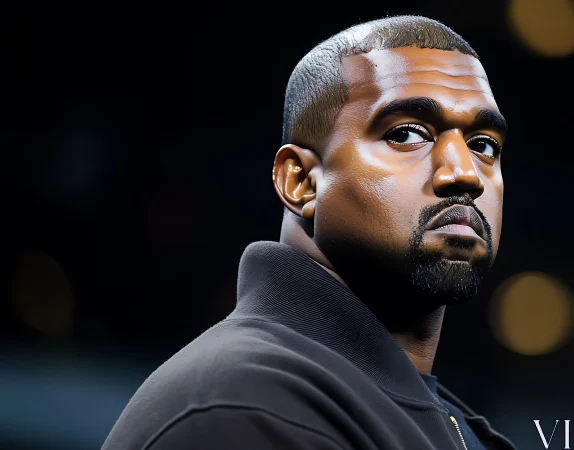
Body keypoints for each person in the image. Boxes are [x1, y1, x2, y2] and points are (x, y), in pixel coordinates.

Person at [103, 15, 514, 450]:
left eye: (483, 145)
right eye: (408, 134)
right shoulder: (244, 405)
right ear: (300, 182)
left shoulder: (441, 423)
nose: (466, 173)